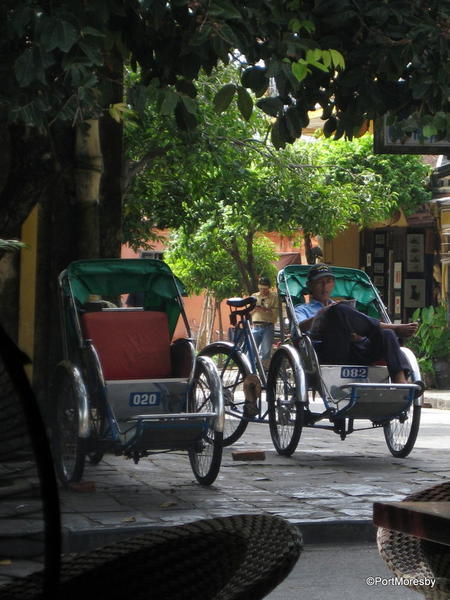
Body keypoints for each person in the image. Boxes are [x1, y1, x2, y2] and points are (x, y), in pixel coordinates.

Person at [294, 264, 418, 384]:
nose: (324, 286)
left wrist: (357, 335)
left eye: (328, 281)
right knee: (338, 310)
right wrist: (322, 314)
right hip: (329, 352)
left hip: (357, 350)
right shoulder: (302, 309)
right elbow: (298, 329)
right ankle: (388, 326)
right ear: (310, 285)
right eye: (319, 282)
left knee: (387, 334)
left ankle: (400, 380)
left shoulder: (342, 307)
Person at [251, 276, 279, 369]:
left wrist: (266, 309)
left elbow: (276, 312)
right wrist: (254, 309)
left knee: (266, 350)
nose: (263, 291)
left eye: (265, 289)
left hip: (268, 326)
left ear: (269, 288)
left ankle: (264, 370)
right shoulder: (254, 296)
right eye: (261, 288)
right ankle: (250, 370)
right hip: (256, 326)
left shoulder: (274, 296)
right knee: (252, 349)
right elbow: (248, 311)